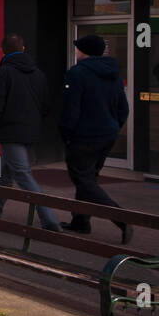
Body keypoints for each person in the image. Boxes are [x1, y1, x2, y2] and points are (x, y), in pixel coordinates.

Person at [0, 34, 61, 231]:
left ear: (3, 51)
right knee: (6, 174)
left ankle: (49, 219)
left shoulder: (1, 74)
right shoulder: (38, 74)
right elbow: (46, 105)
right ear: (23, 49)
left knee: (22, 174)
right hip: (30, 131)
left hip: (10, 132)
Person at [60, 34, 132, 241]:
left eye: (78, 49)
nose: (76, 52)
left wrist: (66, 133)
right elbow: (123, 109)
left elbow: (70, 109)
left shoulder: (78, 74)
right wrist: (113, 127)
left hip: (83, 136)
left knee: (83, 180)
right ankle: (81, 222)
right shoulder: (114, 74)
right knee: (88, 180)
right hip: (107, 135)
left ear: (85, 51)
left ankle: (122, 220)